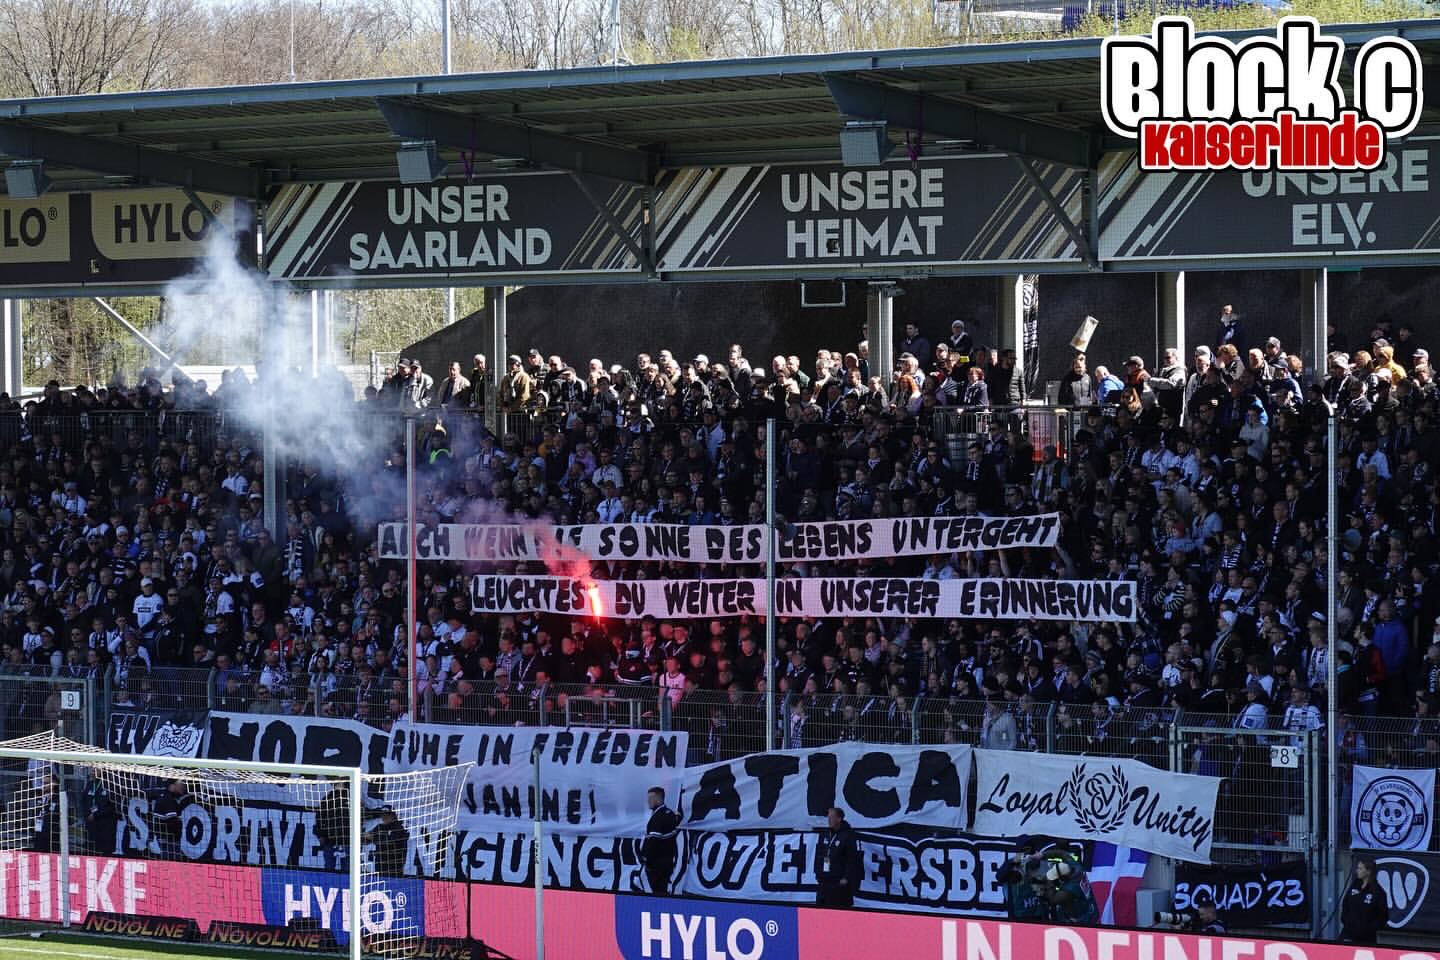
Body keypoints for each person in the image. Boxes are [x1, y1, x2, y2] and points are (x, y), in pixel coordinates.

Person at [816, 806, 862, 908]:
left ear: (839, 818)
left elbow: (852, 859)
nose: (829, 819)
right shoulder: (826, 834)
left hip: (838, 883)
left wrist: (846, 877)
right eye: (828, 817)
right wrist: (818, 873)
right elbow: (820, 854)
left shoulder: (848, 835)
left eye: (832, 817)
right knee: (819, 911)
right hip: (823, 882)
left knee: (836, 913)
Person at [1340, 856, 1389, 944]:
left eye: (1360, 868)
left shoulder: (1378, 892)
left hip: (1367, 938)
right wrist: (1347, 922)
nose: (1357, 871)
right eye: (1357, 868)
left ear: (1368, 871)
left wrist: (1367, 929)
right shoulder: (1354, 886)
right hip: (1347, 934)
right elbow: (1345, 905)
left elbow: (1382, 917)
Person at [642, 786, 681, 895]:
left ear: (659, 799)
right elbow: (676, 820)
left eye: (651, 798)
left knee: (658, 893)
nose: (648, 801)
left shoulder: (658, 818)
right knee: (662, 890)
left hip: (657, 865)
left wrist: (647, 861)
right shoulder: (670, 814)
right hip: (667, 862)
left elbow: (653, 842)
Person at [366, 805, 409, 876]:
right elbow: (367, 839)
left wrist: (374, 838)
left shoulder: (399, 827)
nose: (384, 817)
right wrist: (365, 836)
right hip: (379, 864)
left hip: (394, 865)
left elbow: (391, 842)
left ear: (393, 815)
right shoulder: (379, 827)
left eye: (387, 815)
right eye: (382, 815)